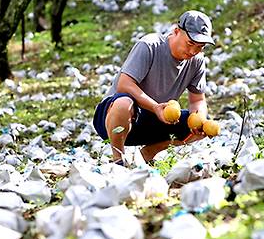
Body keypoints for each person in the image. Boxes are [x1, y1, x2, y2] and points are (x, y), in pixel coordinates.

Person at [92, 10, 215, 165]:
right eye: (190, 43)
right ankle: (118, 159)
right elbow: (124, 84)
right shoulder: (150, 45)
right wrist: (155, 107)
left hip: (153, 120)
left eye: (200, 46)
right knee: (124, 103)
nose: (193, 51)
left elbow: (197, 100)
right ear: (176, 31)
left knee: (202, 127)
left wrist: (199, 120)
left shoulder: (197, 61)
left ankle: (147, 154)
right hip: (113, 118)